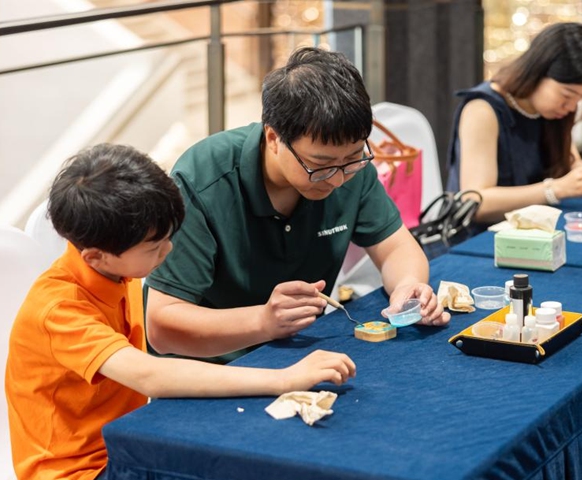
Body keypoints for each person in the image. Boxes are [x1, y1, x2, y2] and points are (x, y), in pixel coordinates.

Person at [5, 144, 356, 480]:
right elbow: (148, 376)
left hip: (135, 437)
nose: (169, 250)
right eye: (154, 247)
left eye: (169, 238)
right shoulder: (58, 309)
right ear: (95, 256)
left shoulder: (118, 266)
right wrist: (284, 379)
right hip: (82, 470)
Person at [144, 47, 450, 365]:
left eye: (352, 159)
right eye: (321, 164)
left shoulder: (350, 169)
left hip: (301, 353)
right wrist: (263, 321)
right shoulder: (203, 178)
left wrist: (408, 286)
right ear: (274, 138)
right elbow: (162, 326)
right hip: (211, 369)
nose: (337, 179)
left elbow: (397, 248)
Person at [447, 22, 582, 226]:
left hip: (537, 231)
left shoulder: (553, 111)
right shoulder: (483, 109)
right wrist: (554, 190)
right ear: (537, 73)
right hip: (480, 238)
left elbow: (570, 165)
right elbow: (475, 201)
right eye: (567, 95)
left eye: (581, 98)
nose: (571, 107)